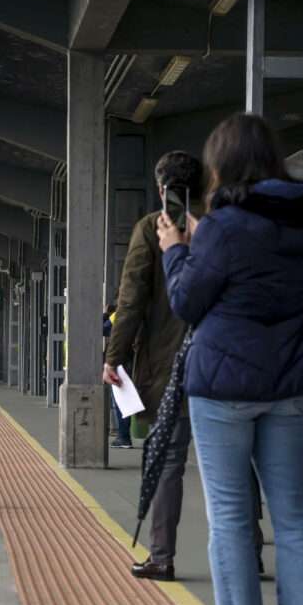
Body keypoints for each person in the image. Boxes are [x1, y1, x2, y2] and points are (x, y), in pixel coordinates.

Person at [160, 113, 303, 605]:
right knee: (292, 514)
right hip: (286, 383)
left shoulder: (224, 225)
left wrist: (174, 249)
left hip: (223, 387)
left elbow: (188, 301)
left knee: (231, 515)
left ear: (224, 165)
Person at [103, 151, 203, 582]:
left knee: (167, 461)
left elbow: (132, 300)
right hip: (225, 363)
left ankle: (162, 556)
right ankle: (251, 550)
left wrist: (115, 357)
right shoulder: (219, 226)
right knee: (240, 462)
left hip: (172, 365)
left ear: (162, 189)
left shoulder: (151, 228)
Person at [102, 303, 132, 448]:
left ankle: (124, 437)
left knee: (122, 403)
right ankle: (124, 436)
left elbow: (102, 328)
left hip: (121, 366)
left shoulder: (118, 314)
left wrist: (105, 314)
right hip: (131, 363)